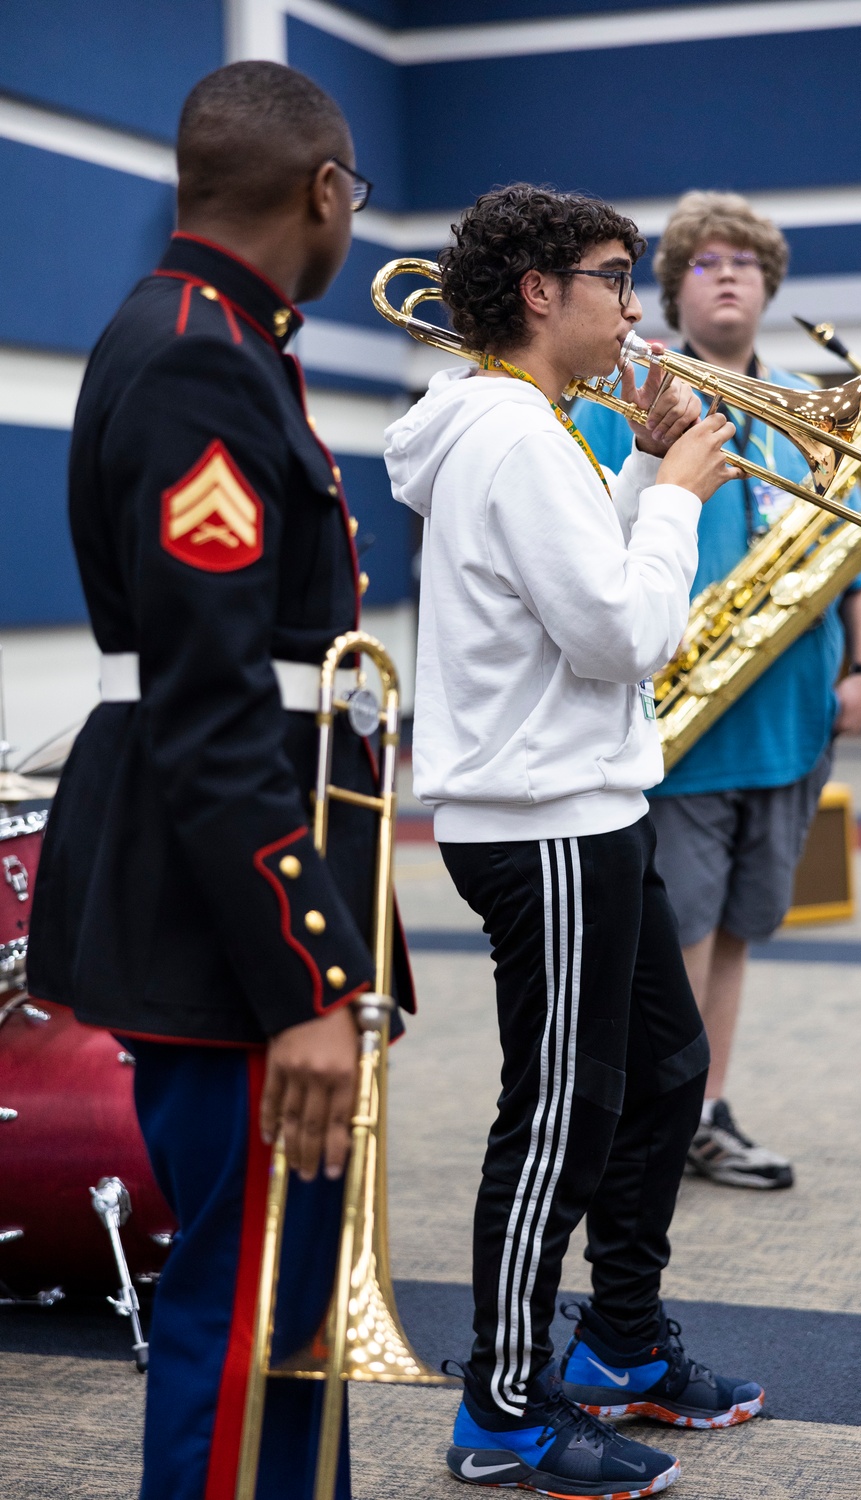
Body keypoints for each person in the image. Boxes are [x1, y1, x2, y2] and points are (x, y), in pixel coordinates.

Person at [27, 62, 412, 1500]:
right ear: (323, 191)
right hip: (231, 931)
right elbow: (210, 709)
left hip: (229, 907)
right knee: (245, 1321)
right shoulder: (200, 353)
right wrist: (307, 983)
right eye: (352, 195)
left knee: (285, 1318)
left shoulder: (213, 332)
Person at [385, 184, 764, 1500]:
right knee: (560, 1114)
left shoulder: (534, 429)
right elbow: (618, 632)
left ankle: (617, 1343)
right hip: (543, 822)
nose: (633, 301)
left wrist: (630, 472)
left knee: (664, 1071)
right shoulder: (505, 431)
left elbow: (566, 585)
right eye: (614, 274)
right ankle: (502, 1409)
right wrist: (673, 492)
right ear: (541, 291)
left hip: (587, 808)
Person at [574, 191, 861, 1190]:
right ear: (673, 286)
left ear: (769, 286)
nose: (727, 276)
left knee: (740, 931)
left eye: (744, 264)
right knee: (679, 932)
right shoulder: (631, 387)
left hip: (793, 719)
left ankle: (703, 1111)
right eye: (704, 263)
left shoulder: (806, 402)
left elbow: (860, 557)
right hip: (685, 722)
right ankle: (657, 1117)